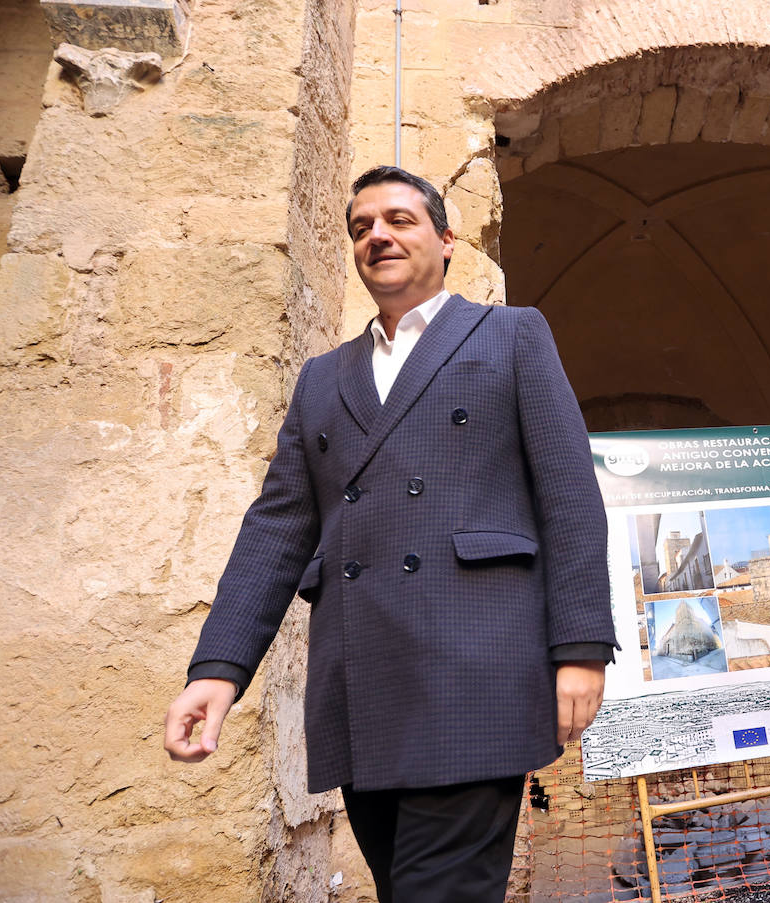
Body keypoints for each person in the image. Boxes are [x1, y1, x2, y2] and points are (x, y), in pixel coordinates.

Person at [163, 165, 617, 902]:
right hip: (362, 685)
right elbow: (277, 528)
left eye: (399, 220)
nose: (378, 235)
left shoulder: (511, 334)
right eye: (361, 227)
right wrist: (217, 669)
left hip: (476, 674)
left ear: (445, 237)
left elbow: (569, 498)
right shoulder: (321, 378)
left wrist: (581, 649)